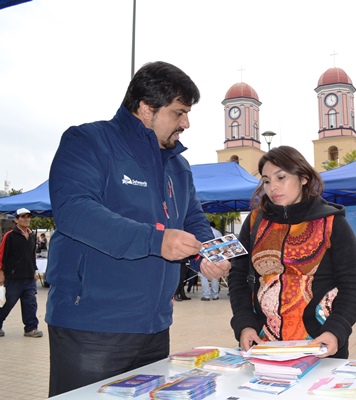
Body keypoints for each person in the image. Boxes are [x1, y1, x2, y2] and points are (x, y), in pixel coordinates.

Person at [45, 61, 231, 396]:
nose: (186, 123)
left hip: (156, 327)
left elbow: (192, 218)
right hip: (92, 327)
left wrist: (207, 253)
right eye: (179, 113)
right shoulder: (88, 141)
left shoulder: (178, 164)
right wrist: (156, 241)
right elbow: (74, 211)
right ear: (146, 109)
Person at [228, 145, 356, 359]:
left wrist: (336, 331)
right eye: (266, 180)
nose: (273, 187)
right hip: (262, 343)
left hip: (320, 343)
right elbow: (237, 277)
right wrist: (244, 325)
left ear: (303, 178)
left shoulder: (332, 223)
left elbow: (352, 284)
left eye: (281, 177)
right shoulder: (255, 222)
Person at [0, 208, 43, 338]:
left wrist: (34, 271)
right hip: (13, 278)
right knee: (7, 304)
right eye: (23, 216)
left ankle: (31, 328)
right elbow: (2, 255)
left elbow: (32, 255)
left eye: (28, 216)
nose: (26, 219)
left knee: (30, 304)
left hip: (29, 277)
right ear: (16, 219)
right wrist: (1, 272)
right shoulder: (10, 235)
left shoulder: (31, 236)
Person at [199, 221, 222, 301]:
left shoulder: (201, 231)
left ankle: (206, 295)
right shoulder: (217, 232)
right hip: (216, 255)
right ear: (214, 226)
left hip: (204, 256)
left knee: (203, 276)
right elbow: (221, 244)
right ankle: (215, 295)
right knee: (215, 275)